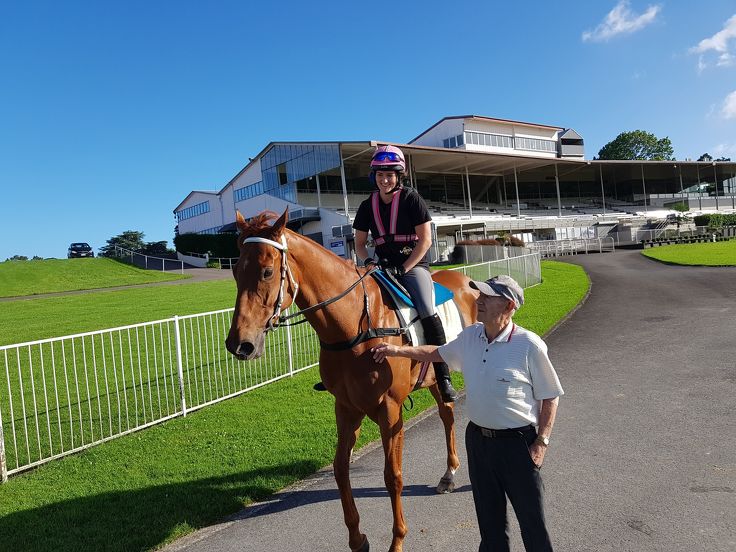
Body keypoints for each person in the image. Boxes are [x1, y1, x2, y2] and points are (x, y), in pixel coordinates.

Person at [372, 275, 563, 551]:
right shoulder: (472, 336)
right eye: (479, 295)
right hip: (479, 443)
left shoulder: (529, 345)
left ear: (508, 306)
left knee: (532, 525)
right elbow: (436, 353)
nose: (479, 301)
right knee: (490, 525)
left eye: (487, 297)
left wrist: (541, 442)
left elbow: (550, 395)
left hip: (518, 446)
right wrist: (397, 350)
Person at [315, 145, 458, 403]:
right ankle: (341, 371)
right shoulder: (366, 206)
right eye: (380, 174)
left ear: (398, 175)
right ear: (375, 176)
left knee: (426, 308)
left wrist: (404, 268)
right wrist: (369, 261)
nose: (385, 179)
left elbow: (425, 240)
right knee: (355, 306)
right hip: (380, 267)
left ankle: (443, 373)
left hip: (413, 267)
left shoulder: (412, 199)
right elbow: (359, 243)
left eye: (390, 174)